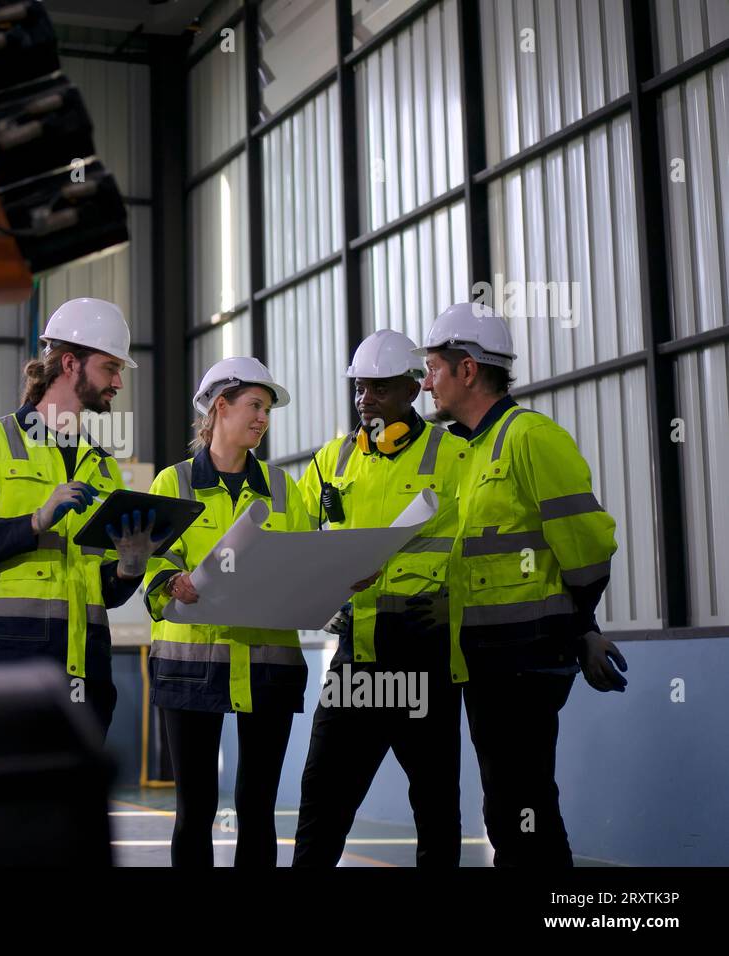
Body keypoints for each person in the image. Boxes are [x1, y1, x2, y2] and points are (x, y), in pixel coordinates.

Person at [417, 301, 627, 867]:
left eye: (433, 367)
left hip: (526, 660)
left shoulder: (530, 437)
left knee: (521, 808)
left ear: (467, 370)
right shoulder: (471, 450)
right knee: (511, 809)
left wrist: (579, 626)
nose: (426, 382)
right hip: (487, 659)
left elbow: (587, 543)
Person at [0, 297, 160, 739]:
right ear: (71, 363)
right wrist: (35, 521)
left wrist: (132, 566)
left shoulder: (103, 466)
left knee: (75, 808)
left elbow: (103, 593)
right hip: (10, 670)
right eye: (110, 368)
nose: (118, 382)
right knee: (8, 805)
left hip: (88, 673)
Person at [290, 329, 466, 867]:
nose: (365, 401)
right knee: (321, 803)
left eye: (379, 390)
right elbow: (297, 542)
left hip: (426, 657)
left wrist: (457, 607)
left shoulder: (455, 455)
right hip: (356, 658)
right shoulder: (330, 462)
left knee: (435, 807)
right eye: (360, 389)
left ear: (412, 390)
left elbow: (481, 545)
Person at [141, 357, 311, 867]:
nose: (263, 418)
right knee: (195, 808)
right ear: (221, 406)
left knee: (258, 808)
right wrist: (171, 582)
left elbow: (304, 562)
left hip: (269, 667)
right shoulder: (172, 484)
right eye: (255, 405)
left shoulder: (283, 488)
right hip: (191, 664)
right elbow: (150, 565)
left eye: (267, 409)